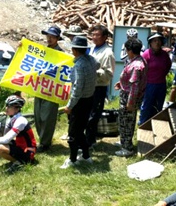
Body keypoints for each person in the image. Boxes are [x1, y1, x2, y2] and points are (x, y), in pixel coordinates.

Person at [60, 36, 98, 168]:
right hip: (90, 99)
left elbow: (77, 88)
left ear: (75, 50)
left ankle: (72, 159)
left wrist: (70, 106)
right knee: (80, 129)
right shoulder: (92, 60)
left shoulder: (78, 65)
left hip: (80, 102)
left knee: (73, 131)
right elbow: (98, 66)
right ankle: (86, 155)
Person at [0, 95, 37, 173]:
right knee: (0, 144)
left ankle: (20, 163)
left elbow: (6, 139)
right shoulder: (12, 118)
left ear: (16, 108)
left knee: (0, 148)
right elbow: (5, 135)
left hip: (29, 151)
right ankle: (18, 161)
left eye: (9, 106)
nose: (6, 108)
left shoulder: (20, 121)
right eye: (6, 105)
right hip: (21, 147)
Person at [114, 38, 147, 157]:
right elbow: (131, 81)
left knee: (127, 121)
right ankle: (124, 142)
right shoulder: (137, 60)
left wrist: (130, 103)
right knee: (125, 121)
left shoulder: (136, 65)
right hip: (127, 94)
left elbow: (134, 86)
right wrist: (121, 83)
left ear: (130, 51)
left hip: (130, 98)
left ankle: (127, 148)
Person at [34, 25, 63, 152]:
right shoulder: (43, 51)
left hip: (52, 89)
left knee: (48, 116)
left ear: (57, 38)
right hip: (39, 87)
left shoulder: (61, 54)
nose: (49, 39)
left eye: (52, 37)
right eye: (48, 36)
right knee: (38, 115)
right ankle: (42, 139)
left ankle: (45, 143)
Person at [86, 25, 116, 148]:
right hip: (88, 86)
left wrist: (94, 71)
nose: (94, 37)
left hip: (98, 87)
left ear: (104, 37)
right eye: (93, 35)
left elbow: (109, 74)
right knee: (86, 113)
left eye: (97, 35)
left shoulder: (108, 53)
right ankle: (88, 137)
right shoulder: (92, 49)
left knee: (94, 115)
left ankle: (90, 140)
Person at [139, 32, 172, 125]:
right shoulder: (146, 54)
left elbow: (167, 66)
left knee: (158, 105)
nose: (157, 43)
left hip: (161, 84)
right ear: (150, 43)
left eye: (159, 41)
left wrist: (161, 76)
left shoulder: (165, 55)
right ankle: (142, 124)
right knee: (147, 105)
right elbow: (141, 69)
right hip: (149, 84)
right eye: (154, 41)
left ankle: (154, 125)